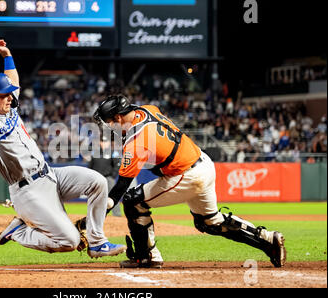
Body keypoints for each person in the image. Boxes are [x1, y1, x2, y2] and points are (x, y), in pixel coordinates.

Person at [0, 39, 125, 258]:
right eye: (4, 95)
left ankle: (97, 242)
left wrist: (7, 56)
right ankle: (19, 231)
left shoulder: (9, 108)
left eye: (10, 94)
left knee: (98, 182)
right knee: (70, 241)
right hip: (28, 191)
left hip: (51, 175)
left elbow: (14, 81)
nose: (10, 97)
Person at [93, 95, 287, 268]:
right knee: (211, 222)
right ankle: (268, 239)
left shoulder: (136, 142)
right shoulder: (147, 109)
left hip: (186, 175)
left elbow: (120, 188)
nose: (110, 127)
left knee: (133, 201)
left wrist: (97, 216)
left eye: (109, 122)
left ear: (118, 118)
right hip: (203, 163)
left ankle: (146, 256)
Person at [88, 135, 122, 217]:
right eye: (102, 142)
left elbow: (117, 165)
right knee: (95, 197)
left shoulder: (113, 152)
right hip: (96, 178)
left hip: (108, 178)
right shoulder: (95, 152)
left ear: (109, 143)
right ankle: (94, 215)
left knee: (113, 196)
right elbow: (90, 165)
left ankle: (117, 215)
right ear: (100, 142)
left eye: (106, 142)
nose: (104, 144)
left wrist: (112, 176)